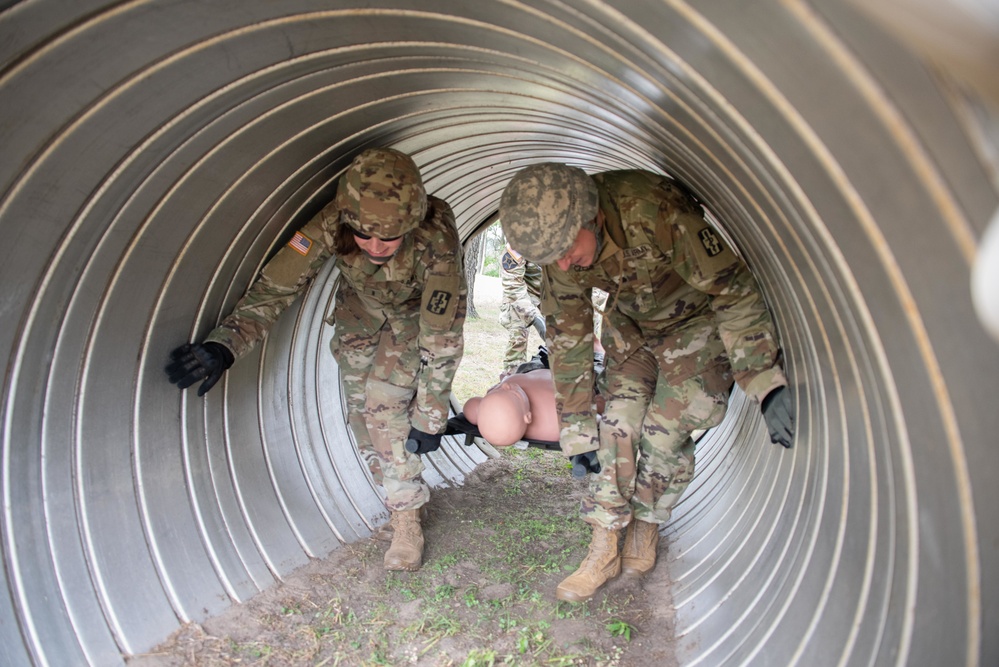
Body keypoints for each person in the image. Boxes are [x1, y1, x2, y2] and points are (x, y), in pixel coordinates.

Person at [499, 163, 794, 602]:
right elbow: (569, 336)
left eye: (566, 249)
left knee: (664, 433)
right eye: (551, 258)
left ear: (592, 217)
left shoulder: (652, 211)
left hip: (697, 328)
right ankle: (603, 544)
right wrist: (577, 426)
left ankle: (647, 523)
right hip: (633, 329)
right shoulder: (557, 252)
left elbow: (731, 289)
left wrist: (764, 381)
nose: (563, 263)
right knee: (617, 425)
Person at [166, 147, 466, 572]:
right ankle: (403, 499)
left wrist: (432, 415)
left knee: (384, 407)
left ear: (411, 225)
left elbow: (444, 333)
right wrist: (225, 345)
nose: (376, 247)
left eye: (389, 238)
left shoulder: (435, 238)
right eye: (364, 235)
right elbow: (277, 287)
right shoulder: (331, 222)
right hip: (358, 319)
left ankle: (405, 521)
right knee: (362, 418)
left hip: (414, 322)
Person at [498, 242, 545, 377]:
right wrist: (535, 318)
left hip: (553, 293)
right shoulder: (520, 240)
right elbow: (513, 285)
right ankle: (511, 375)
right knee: (518, 330)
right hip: (522, 292)